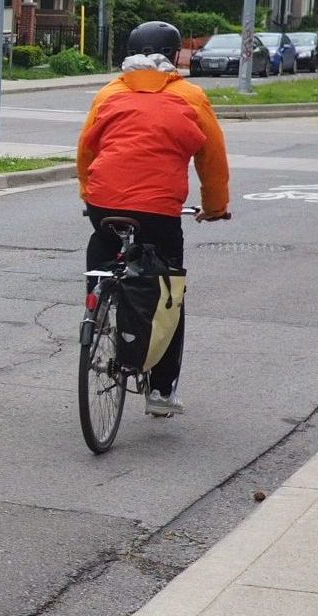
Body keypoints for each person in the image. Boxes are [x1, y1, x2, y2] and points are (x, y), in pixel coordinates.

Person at [77, 20, 231, 417]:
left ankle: (97, 310)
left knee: (102, 245)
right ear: (175, 54)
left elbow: (86, 149)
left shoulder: (109, 92)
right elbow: (211, 159)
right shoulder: (191, 96)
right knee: (168, 291)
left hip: (105, 204)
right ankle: (161, 391)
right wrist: (214, 208)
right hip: (160, 212)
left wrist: (90, 195)